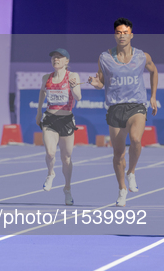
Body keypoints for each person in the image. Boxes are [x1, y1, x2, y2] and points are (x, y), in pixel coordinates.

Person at [88, 18, 158, 206]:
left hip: (136, 105)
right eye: (118, 32)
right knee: (118, 154)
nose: (122, 35)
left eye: (125, 32)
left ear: (131, 35)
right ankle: (122, 189)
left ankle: (132, 172)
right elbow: (101, 81)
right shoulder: (105, 57)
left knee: (135, 139)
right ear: (115, 35)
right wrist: (96, 84)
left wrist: (152, 96)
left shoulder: (142, 56)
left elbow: (154, 71)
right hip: (115, 108)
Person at [35, 49, 82, 206]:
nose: (56, 60)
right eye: (54, 57)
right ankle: (50, 173)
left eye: (59, 58)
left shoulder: (73, 76)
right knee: (50, 152)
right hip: (49, 118)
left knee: (66, 157)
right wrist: (38, 111)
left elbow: (78, 97)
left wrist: (74, 87)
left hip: (66, 119)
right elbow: (42, 93)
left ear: (66, 61)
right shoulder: (46, 78)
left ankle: (67, 189)